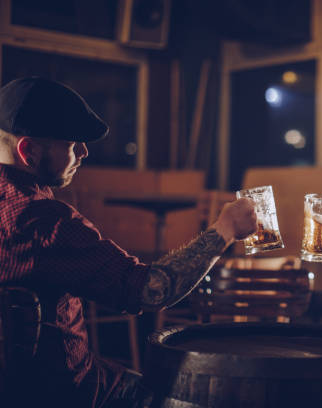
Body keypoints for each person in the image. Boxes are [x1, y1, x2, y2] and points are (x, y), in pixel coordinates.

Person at [0, 77, 257, 407]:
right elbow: (150, 290)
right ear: (28, 150)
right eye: (72, 143)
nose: (84, 152)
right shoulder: (45, 222)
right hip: (72, 393)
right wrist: (225, 229)